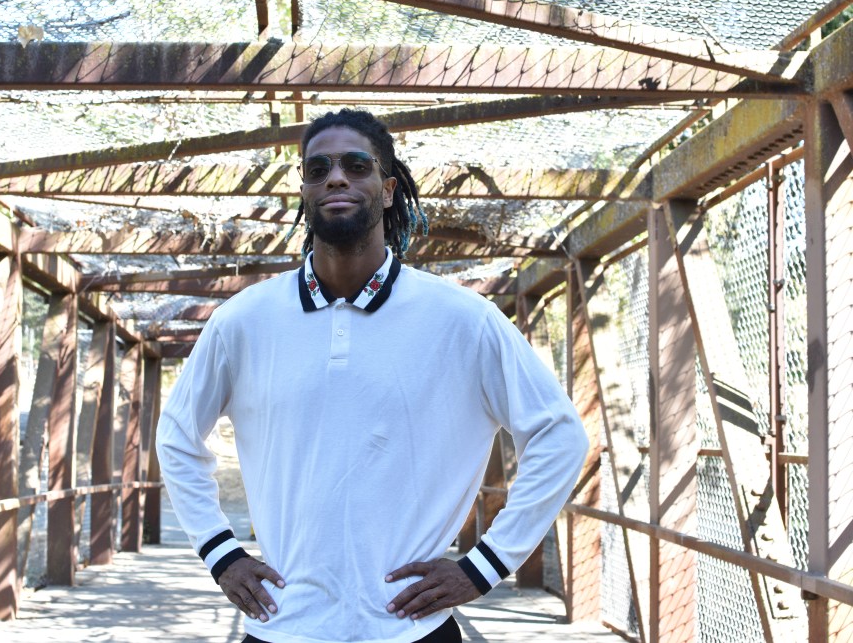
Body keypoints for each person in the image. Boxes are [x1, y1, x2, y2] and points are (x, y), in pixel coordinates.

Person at [156, 109, 588, 643]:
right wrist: (221, 553)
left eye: (355, 165)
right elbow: (176, 436)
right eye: (317, 170)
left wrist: (484, 565)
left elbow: (559, 435)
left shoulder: (462, 319)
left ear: (387, 190)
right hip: (279, 625)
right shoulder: (243, 320)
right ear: (306, 193)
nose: (335, 177)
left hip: (411, 627)